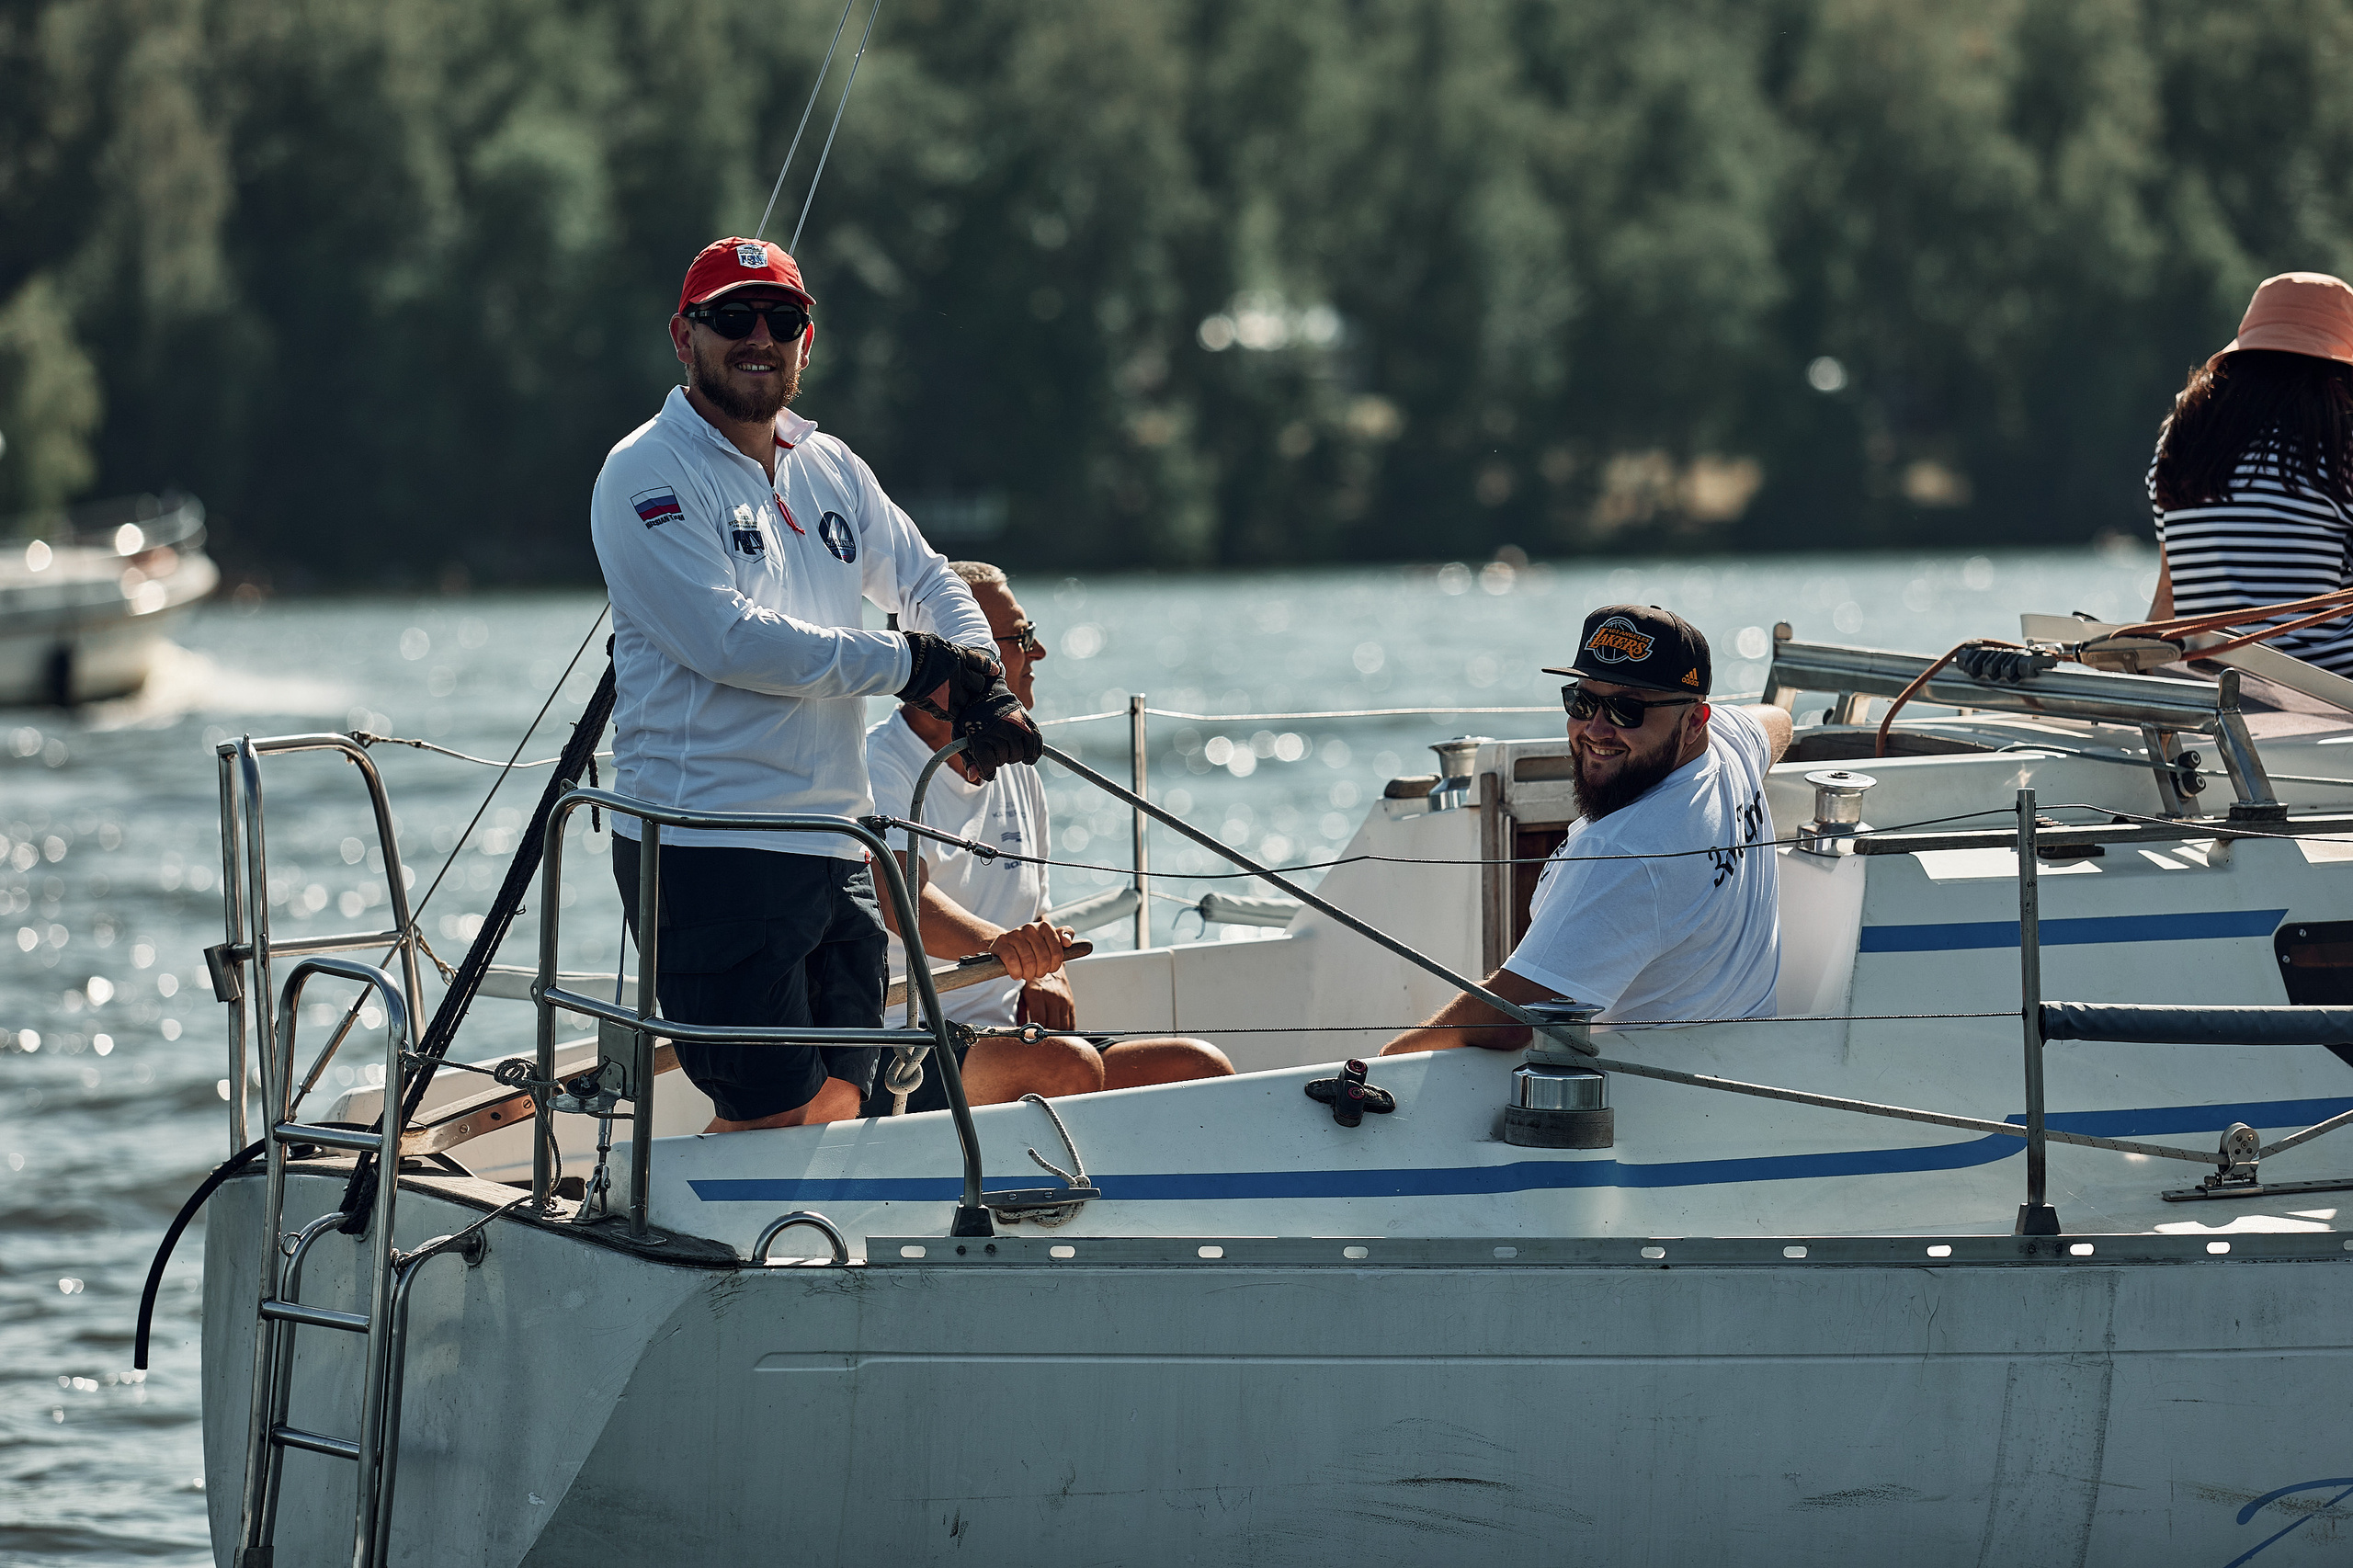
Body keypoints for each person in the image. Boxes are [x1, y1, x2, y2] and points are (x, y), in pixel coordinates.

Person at [589, 236, 1040, 1133]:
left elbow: (928, 578)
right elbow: (730, 640)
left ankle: (795, 1258)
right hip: (707, 844)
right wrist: (920, 664)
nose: (758, 336)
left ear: (808, 340)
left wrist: (979, 675)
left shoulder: (831, 465)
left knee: (845, 1091)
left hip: (831, 839)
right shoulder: (644, 471)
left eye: (781, 319)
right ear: (684, 337)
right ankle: (699, 1261)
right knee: (769, 1107)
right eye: (731, 318)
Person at [865, 561, 1233, 1113]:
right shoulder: (877, 764)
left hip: (1010, 1036)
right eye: (1021, 638)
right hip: (904, 1043)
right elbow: (900, 901)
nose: (1037, 654)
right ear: (960, 662)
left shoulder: (1018, 769)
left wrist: (1048, 971)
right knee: (1068, 1067)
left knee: (1201, 1069)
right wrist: (1002, 947)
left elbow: (1033, 908)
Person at [1380, 605, 1790, 1056]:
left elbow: (1508, 1024)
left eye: (1626, 710)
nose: (1595, 729)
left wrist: (1381, 1064)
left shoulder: (1624, 854)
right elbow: (1777, 722)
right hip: (1745, 1057)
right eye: (1582, 701)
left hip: (1652, 1098)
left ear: (1694, 722)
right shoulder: (1727, 748)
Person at [2146, 271, 2353, 674]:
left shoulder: (2180, 443)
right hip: (2329, 688)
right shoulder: (2338, 444)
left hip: (2211, 686)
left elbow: (2166, 600)